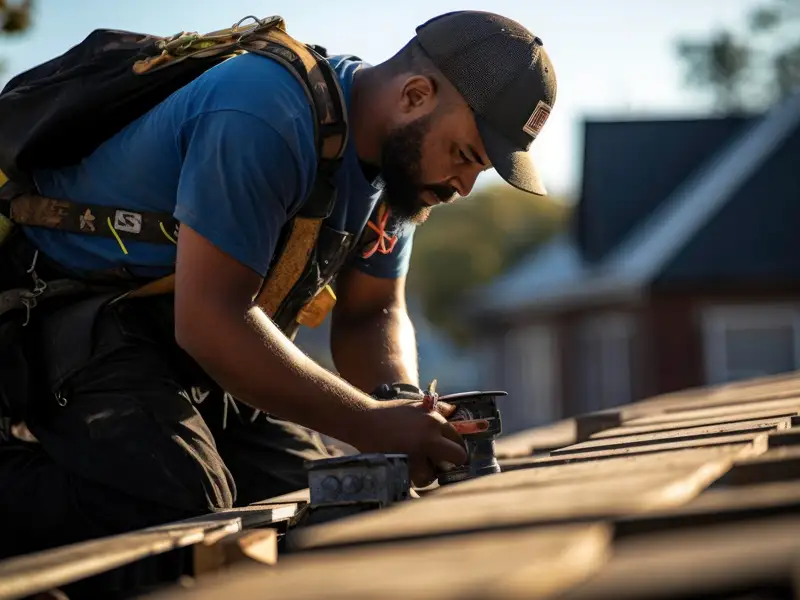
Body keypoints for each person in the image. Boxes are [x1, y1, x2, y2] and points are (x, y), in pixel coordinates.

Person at [0, 9, 557, 558]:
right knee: (185, 520)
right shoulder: (265, 111)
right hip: (80, 325)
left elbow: (372, 313)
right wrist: (364, 421)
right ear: (415, 95)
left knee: (332, 508)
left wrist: (403, 410)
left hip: (192, 354)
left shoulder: (399, 170)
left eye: (480, 169)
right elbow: (211, 320)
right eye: (464, 155)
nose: (464, 185)